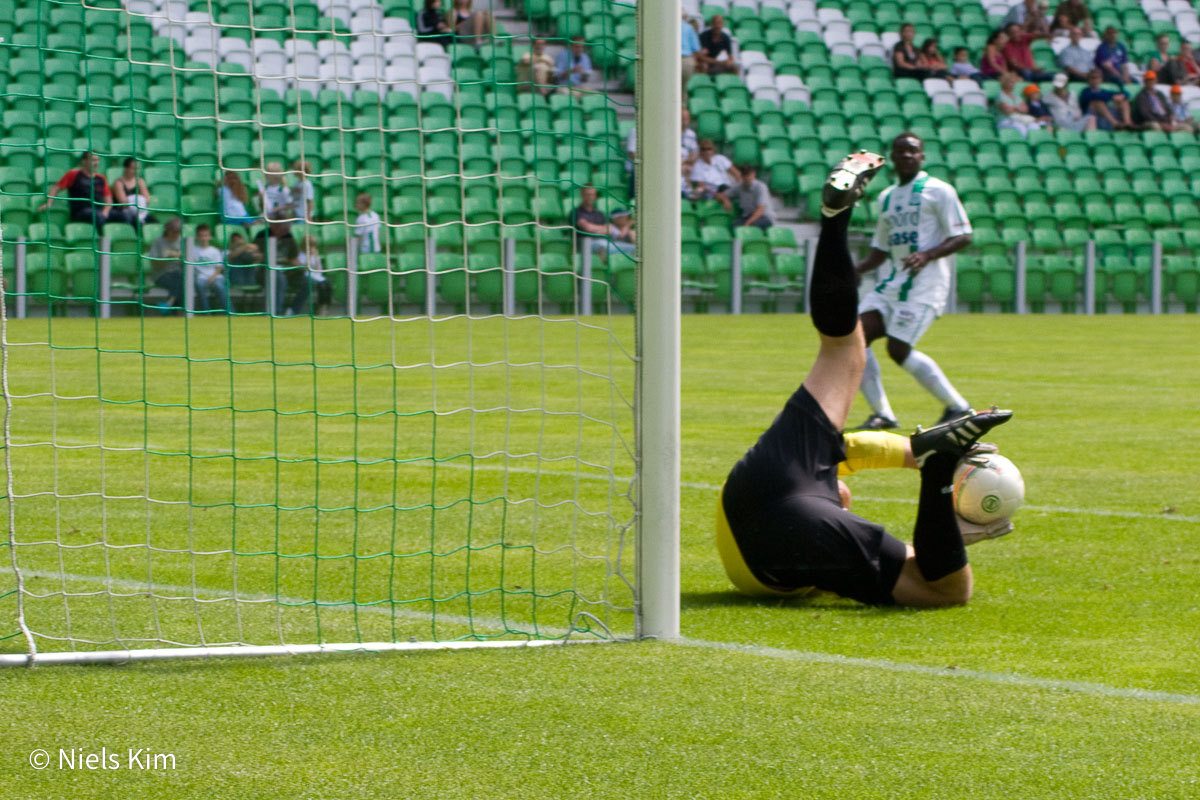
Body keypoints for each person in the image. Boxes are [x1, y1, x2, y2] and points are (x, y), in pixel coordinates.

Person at [716, 150, 1014, 608]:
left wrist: (915, 452)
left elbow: (849, 455)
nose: (845, 497)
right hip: (775, 546)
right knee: (949, 592)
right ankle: (938, 468)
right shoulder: (821, 526)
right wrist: (938, 493)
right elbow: (935, 575)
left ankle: (834, 221)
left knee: (843, 347)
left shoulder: (814, 481)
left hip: (752, 481)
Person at [852, 134, 975, 430]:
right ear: (892, 158)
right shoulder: (887, 198)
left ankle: (959, 407)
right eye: (901, 151)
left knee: (898, 349)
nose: (907, 155)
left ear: (922, 157)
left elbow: (964, 235)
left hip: (926, 284)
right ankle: (883, 414)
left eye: (913, 151)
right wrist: (854, 270)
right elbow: (881, 250)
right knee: (854, 338)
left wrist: (928, 254)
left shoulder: (939, 191)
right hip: (894, 281)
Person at [40, 151, 112, 232]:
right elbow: (55, 188)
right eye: (93, 160)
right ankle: (102, 242)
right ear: (84, 161)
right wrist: (48, 203)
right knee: (97, 216)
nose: (96, 163)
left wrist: (106, 211)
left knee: (124, 215)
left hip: (99, 211)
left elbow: (108, 200)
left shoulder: (101, 178)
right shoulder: (73, 174)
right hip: (80, 212)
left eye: (97, 160)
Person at [254, 218, 309, 316]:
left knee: (308, 282)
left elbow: (293, 258)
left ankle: (292, 311)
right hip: (265, 271)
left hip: (286, 271)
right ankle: (277, 312)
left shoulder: (288, 237)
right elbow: (256, 255)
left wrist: (302, 268)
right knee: (280, 279)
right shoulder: (262, 235)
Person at [572, 184, 634, 259]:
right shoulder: (577, 212)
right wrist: (602, 229)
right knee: (602, 246)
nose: (590, 197)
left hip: (605, 242)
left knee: (634, 248)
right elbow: (587, 228)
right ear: (582, 195)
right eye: (588, 194)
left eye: (593, 195)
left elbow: (608, 229)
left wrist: (597, 229)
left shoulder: (599, 213)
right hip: (585, 243)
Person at [689, 139, 740, 211]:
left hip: (726, 188)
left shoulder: (720, 159)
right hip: (711, 191)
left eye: (709, 149)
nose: (706, 152)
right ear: (700, 151)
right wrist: (722, 197)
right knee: (697, 192)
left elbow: (737, 174)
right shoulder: (697, 166)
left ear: (713, 150)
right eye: (703, 149)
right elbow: (701, 186)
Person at [190, 224, 230, 313]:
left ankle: (229, 311)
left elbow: (219, 268)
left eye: (206, 236)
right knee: (199, 284)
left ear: (209, 237)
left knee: (220, 286)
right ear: (197, 237)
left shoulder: (214, 251)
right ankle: (206, 312)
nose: (204, 238)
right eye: (201, 236)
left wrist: (213, 277)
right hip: (201, 277)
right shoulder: (193, 250)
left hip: (215, 276)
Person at [148, 217, 185, 312]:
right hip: (161, 274)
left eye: (177, 232)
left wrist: (181, 256)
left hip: (178, 273)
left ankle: (169, 305)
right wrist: (166, 258)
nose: (175, 235)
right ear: (167, 231)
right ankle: (176, 310)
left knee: (182, 279)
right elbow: (155, 265)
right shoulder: (158, 242)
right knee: (181, 282)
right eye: (173, 232)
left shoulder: (182, 242)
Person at [996, 71, 1048, 136]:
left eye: (1013, 82)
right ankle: (1023, 145)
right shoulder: (1000, 95)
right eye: (1010, 82)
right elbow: (1007, 111)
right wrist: (1018, 108)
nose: (1013, 84)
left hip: (1018, 119)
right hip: (1005, 121)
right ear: (1004, 83)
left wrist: (1013, 108)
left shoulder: (1016, 96)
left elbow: (1025, 109)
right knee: (1020, 127)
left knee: (1034, 126)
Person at [728, 164, 775, 230]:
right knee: (733, 226)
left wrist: (748, 223)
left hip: (764, 217)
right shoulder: (738, 187)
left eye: (749, 175)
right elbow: (725, 194)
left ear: (753, 174)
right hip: (747, 216)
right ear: (741, 176)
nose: (747, 178)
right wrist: (725, 200)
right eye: (745, 175)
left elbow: (761, 209)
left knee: (751, 226)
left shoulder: (761, 187)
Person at [110, 157, 154, 227]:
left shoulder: (140, 181)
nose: (136, 171)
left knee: (152, 221)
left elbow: (147, 200)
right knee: (131, 219)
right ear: (126, 168)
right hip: (123, 212)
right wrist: (136, 202)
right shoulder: (119, 183)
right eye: (133, 169)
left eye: (137, 169)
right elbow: (123, 203)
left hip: (139, 211)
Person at [298, 232, 331, 316]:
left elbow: (319, 269)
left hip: (316, 275)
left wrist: (316, 257)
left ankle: (324, 306)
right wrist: (309, 256)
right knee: (321, 286)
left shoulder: (315, 255)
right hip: (306, 275)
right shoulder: (301, 255)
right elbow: (304, 268)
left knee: (328, 284)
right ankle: (321, 307)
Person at [289, 160, 315, 229]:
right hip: (296, 213)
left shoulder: (307, 185)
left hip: (304, 215)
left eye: (295, 170)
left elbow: (310, 201)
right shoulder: (297, 183)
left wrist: (308, 216)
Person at [681, 11, 702, 93]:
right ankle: (683, 104)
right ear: (685, 18)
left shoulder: (669, 27)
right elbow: (696, 49)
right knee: (684, 87)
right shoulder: (689, 28)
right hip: (687, 60)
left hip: (672, 59)